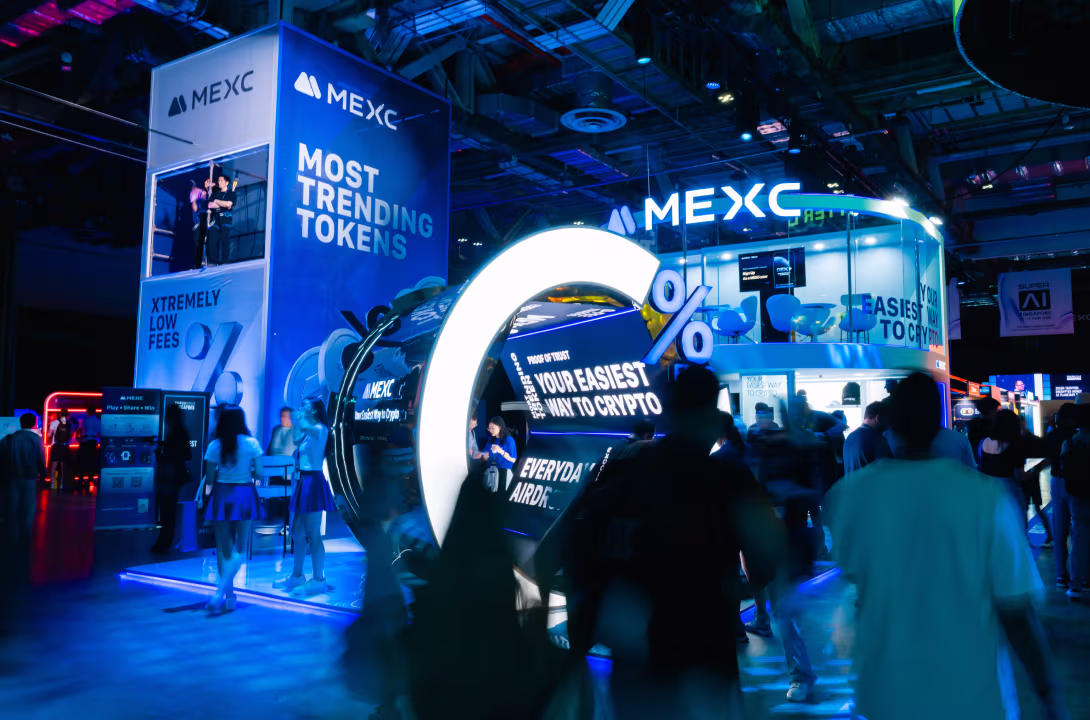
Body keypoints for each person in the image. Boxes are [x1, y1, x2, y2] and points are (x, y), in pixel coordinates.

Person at [829, 372, 1067, 720]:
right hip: (971, 695)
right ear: (940, 422)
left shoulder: (850, 496)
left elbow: (856, 583)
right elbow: (1015, 612)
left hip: (885, 693)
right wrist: (1048, 693)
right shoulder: (985, 498)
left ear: (892, 424)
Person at [567, 366, 784, 718]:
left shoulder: (624, 469)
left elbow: (581, 545)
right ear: (712, 415)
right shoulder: (727, 479)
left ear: (667, 411)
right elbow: (768, 555)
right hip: (703, 655)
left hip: (635, 659)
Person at [202, 406, 264, 614]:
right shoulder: (251, 443)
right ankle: (225, 596)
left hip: (221, 493)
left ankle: (225, 595)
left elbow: (209, 479)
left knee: (223, 549)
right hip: (244, 494)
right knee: (240, 548)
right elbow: (260, 473)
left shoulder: (214, 446)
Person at [274, 399, 335, 596]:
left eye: (306, 404)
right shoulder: (309, 430)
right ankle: (297, 576)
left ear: (315, 409)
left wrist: (300, 420)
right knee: (296, 532)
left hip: (313, 483)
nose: (302, 406)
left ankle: (319, 579)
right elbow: (297, 436)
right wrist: (298, 422)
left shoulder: (320, 429)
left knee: (313, 533)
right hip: (303, 483)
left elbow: (306, 428)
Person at [1, 413, 48, 583]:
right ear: (34, 423)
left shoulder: (9, 439)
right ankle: (25, 540)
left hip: (12, 478)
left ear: (20, 423)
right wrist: (44, 476)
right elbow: (40, 459)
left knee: (11, 511)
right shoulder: (35, 439)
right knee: (27, 511)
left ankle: (12, 540)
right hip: (29, 479)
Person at [1040, 404, 1079, 589]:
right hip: (1078, 483)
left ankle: (1061, 576)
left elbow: (1047, 459)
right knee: (1079, 531)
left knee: (1060, 530)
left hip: (1057, 481)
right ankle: (1081, 575)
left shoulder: (1052, 435)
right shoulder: (1078, 435)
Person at [152, 404, 192, 554]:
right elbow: (187, 455)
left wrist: (159, 454)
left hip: (169, 475)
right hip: (175, 476)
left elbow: (171, 456)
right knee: (169, 509)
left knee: (167, 509)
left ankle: (164, 541)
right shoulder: (182, 431)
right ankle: (165, 540)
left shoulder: (175, 433)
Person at [1060, 404, 1090, 600]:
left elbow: (1064, 472)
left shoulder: (1069, 443)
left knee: (1079, 540)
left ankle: (1076, 585)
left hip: (1078, 497)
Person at [978, 409, 1029, 524]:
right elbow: (1019, 475)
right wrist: (1037, 469)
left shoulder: (983, 443)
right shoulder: (1015, 445)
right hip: (1010, 494)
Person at [843, 401, 891, 474]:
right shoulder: (876, 439)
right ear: (877, 418)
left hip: (851, 485)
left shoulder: (850, 437)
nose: (888, 425)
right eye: (887, 420)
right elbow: (886, 472)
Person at [479, 417, 516, 493]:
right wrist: (484, 456)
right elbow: (485, 456)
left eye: (493, 428)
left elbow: (513, 459)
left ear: (500, 427)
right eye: (489, 429)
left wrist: (501, 451)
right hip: (491, 472)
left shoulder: (509, 439)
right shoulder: (490, 440)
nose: (491, 431)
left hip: (503, 473)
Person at [207, 174, 236, 264]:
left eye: (221, 180)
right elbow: (210, 205)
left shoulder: (231, 193)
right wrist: (223, 203)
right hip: (215, 218)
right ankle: (212, 261)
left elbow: (229, 204)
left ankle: (225, 261)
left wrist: (217, 201)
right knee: (212, 237)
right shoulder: (215, 193)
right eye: (218, 180)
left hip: (225, 217)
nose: (219, 182)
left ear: (226, 182)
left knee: (225, 239)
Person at [968, 396, 1001, 464]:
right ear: (991, 410)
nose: (997, 412)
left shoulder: (974, 426)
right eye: (996, 409)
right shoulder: (994, 426)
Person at [48, 409, 71, 490]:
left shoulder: (54, 422)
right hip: (65, 446)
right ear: (68, 414)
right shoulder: (69, 423)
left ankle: (53, 484)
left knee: (54, 465)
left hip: (56, 446)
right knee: (63, 466)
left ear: (60, 414)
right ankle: (62, 484)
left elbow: (48, 435)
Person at [191, 176, 211, 268]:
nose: (207, 183)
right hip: (201, 217)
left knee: (209, 240)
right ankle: (197, 264)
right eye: (206, 181)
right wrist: (193, 200)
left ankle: (209, 262)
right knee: (198, 242)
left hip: (210, 217)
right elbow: (195, 209)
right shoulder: (199, 193)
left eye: (208, 181)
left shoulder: (211, 193)